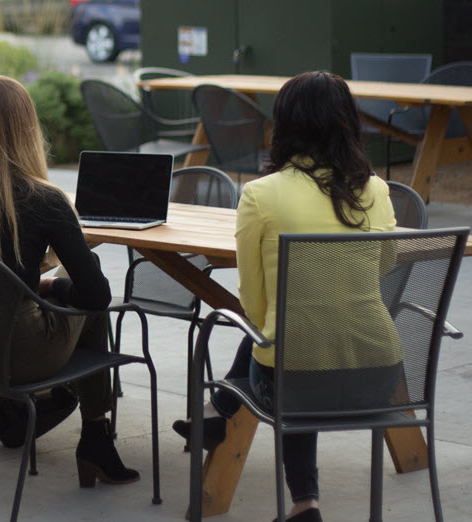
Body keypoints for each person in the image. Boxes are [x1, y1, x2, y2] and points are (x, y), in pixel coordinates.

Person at [171, 71, 400, 522]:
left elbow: (254, 306)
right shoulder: (375, 189)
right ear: (347, 122)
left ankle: (302, 500)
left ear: (285, 124)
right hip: (379, 378)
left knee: (284, 343)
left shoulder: (261, 195)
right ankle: (297, 500)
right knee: (298, 339)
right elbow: (384, 264)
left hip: (291, 382)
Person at [0, 76, 140, 488]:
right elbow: (96, 296)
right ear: (28, 127)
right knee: (87, 285)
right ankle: (95, 437)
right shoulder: (45, 199)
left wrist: (3, 282)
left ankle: (17, 416)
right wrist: (51, 286)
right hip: (22, 354)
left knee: (0, 311)